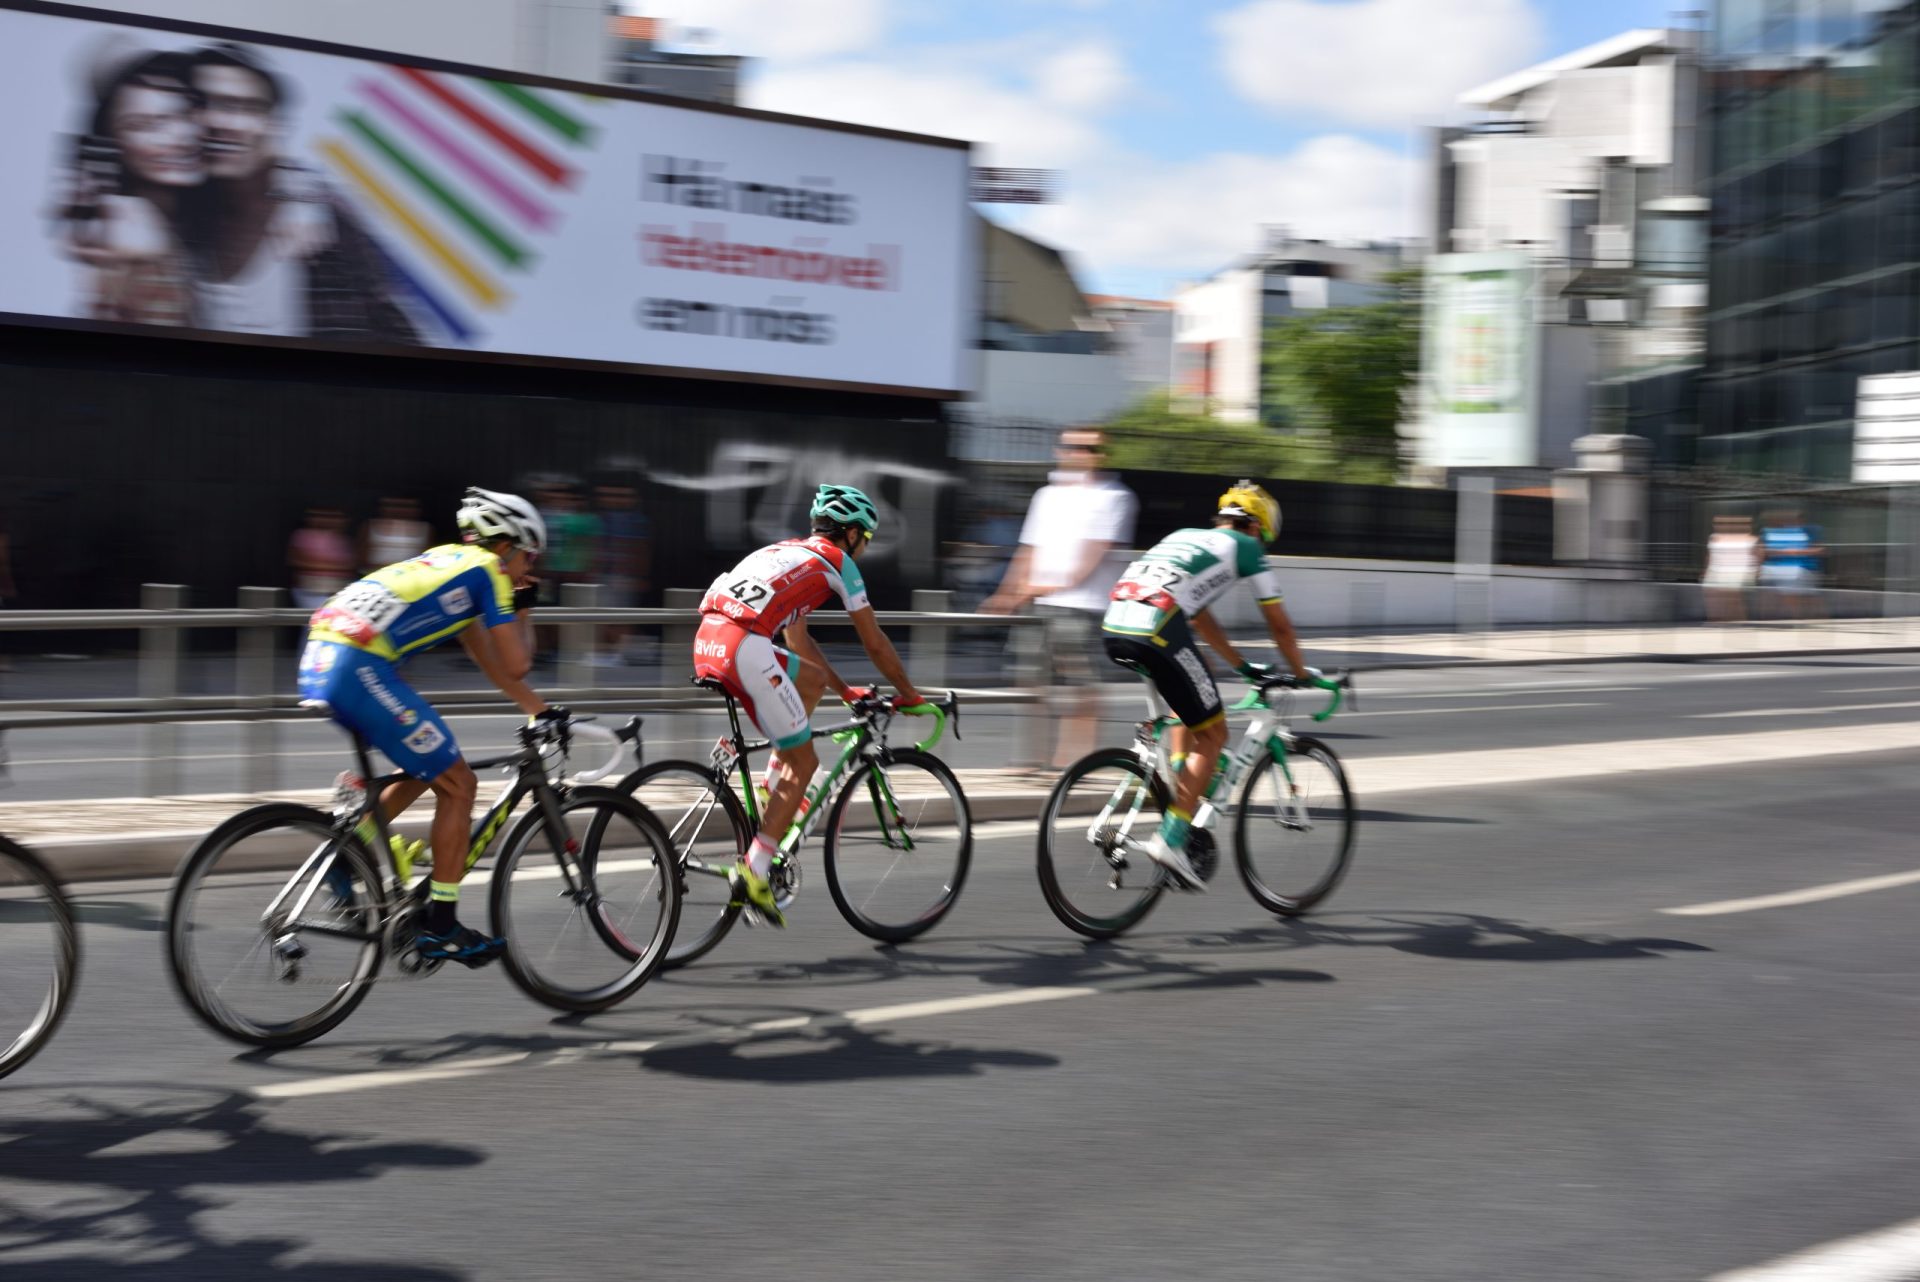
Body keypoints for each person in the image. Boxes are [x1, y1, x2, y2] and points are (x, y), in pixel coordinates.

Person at [296, 487, 550, 965]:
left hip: (320, 657)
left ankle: (352, 840)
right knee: (460, 784)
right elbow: (516, 662)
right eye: (529, 556)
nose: (529, 567)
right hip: (359, 667)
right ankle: (442, 926)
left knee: (430, 760)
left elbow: (486, 658)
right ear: (507, 546)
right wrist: (526, 603)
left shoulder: (446, 562)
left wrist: (537, 708)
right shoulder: (489, 572)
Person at [693, 483, 930, 925]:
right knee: (805, 762)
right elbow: (875, 643)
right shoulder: (837, 561)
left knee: (813, 681)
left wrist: (845, 692)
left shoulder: (787, 553)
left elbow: (797, 641)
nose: (864, 548)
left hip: (710, 638)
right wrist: (911, 695)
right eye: (867, 539)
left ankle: (772, 784)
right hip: (744, 646)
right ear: (853, 534)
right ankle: (756, 869)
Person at [1101, 480, 1333, 890]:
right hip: (1157, 632)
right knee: (1215, 733)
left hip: (1116, 628)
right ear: (1258, 527)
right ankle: (1171, 839)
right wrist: (1300, 672)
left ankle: (1179, 777)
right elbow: (1279, 624)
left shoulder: (1186, 537)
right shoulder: (1247, 548)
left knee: (1187, 695)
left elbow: (1201, 618)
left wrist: (1242, 666)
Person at [185, 42, 418, 341]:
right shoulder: (179, 204)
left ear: (275, 125)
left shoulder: (328, 223)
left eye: (241, 107)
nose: (216, 121)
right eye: (200, 103)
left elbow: (391, 330)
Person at [981, 428, 1138, 768]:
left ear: (1103, 454)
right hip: (1037, 604)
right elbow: (1029, 548)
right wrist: (1007, 592)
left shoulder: (1115, 497)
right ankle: (1030, 759)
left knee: (1080, 687)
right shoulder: (1047, 495)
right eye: (1074, 447)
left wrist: (1035, 589)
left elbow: (1091, 557)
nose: (1081, 453)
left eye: (1090, 448)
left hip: (1083, 606)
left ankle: (1076, 762)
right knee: (1029, 682)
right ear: (1061, 450)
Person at [58, 41, 208, 326]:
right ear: (113, 143)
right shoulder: (121, 235)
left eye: (185, 113)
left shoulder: (206, 208)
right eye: (146, 126)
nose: (181, 136)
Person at [592, 483, 652, 664]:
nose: (614, 500)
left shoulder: (636, 521)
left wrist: (639, 577)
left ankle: (617, 654)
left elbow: (641, 550)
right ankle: (608, 652)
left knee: (621, 617)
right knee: (602, 616)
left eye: (621, 495)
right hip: (606, 576)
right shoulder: (600, 518)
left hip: (624, 578)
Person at [1759, 507, 1826, 619]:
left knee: (1804, 599)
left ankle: (1802, 621)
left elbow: (1820, 550)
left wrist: (1793, 552)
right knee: (1773, 598)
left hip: (1804, 569)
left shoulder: (1809, 530)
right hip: (1779, 570)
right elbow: (1763, 550)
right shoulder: (1771, 532)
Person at [287, 506, 354, 610]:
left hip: (336, 591)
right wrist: (333, 565)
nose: (326, 520)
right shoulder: (302, 535)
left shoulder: (342, 538)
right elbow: (297, 560)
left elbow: (351, 564)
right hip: (311, 591)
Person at [1702, 514, 1759, 624]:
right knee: (1712, 597)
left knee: (1733, 600)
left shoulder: (1749, 538)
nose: (1718, 526)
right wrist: (1706, 570)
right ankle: (1715, 621)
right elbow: (1710, 555)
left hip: (1736, 571)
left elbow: (1756, 556)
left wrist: (1754, 571)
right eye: (1716, 523)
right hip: (1715, 571)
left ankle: (1740, 622)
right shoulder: (1714, 537)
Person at [360, 495, 431, 575]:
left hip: (409, 577)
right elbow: (362, 557)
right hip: (376, 576)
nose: (400, 510)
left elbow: (427, 558)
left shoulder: (426, 528)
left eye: (407, 506)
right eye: (393, 505)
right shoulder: (370, 525)